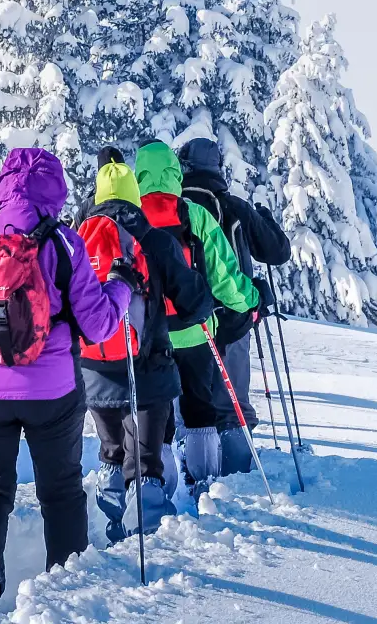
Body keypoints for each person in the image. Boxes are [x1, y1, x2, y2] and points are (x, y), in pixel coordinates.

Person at [0, 148, 134, 614]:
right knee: (61, 488)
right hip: (52, 391)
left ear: (2, 185)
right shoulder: (65, 243)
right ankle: (67, 579)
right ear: (55, 191)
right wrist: (121, 284)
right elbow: (98, 326)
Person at [78, 154, 213, 541]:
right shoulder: (153, 238)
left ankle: (110, 526)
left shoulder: (76, 236)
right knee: (147, 460)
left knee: (111, 452)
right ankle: (152, 537)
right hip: (148, 368)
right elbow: (194, 300)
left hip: (93, 370)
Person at [134, 140, 261, 492]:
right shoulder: (194, 214)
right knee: (200, 409)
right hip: (196, 330)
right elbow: (225, 279)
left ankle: (160, 485)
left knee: (157, 415)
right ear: (176, 173)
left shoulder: (129, 217)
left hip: (148, 335)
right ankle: (205, 484)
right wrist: (250, 300)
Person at [178, 137, 291, 474]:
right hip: (234, 318)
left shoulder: (175, 209)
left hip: (185, 320)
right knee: (232, 404)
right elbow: (278, 252)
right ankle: (237, 472)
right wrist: (266, 220)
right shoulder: (234, 206)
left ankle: (193, 469)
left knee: (191, 401)